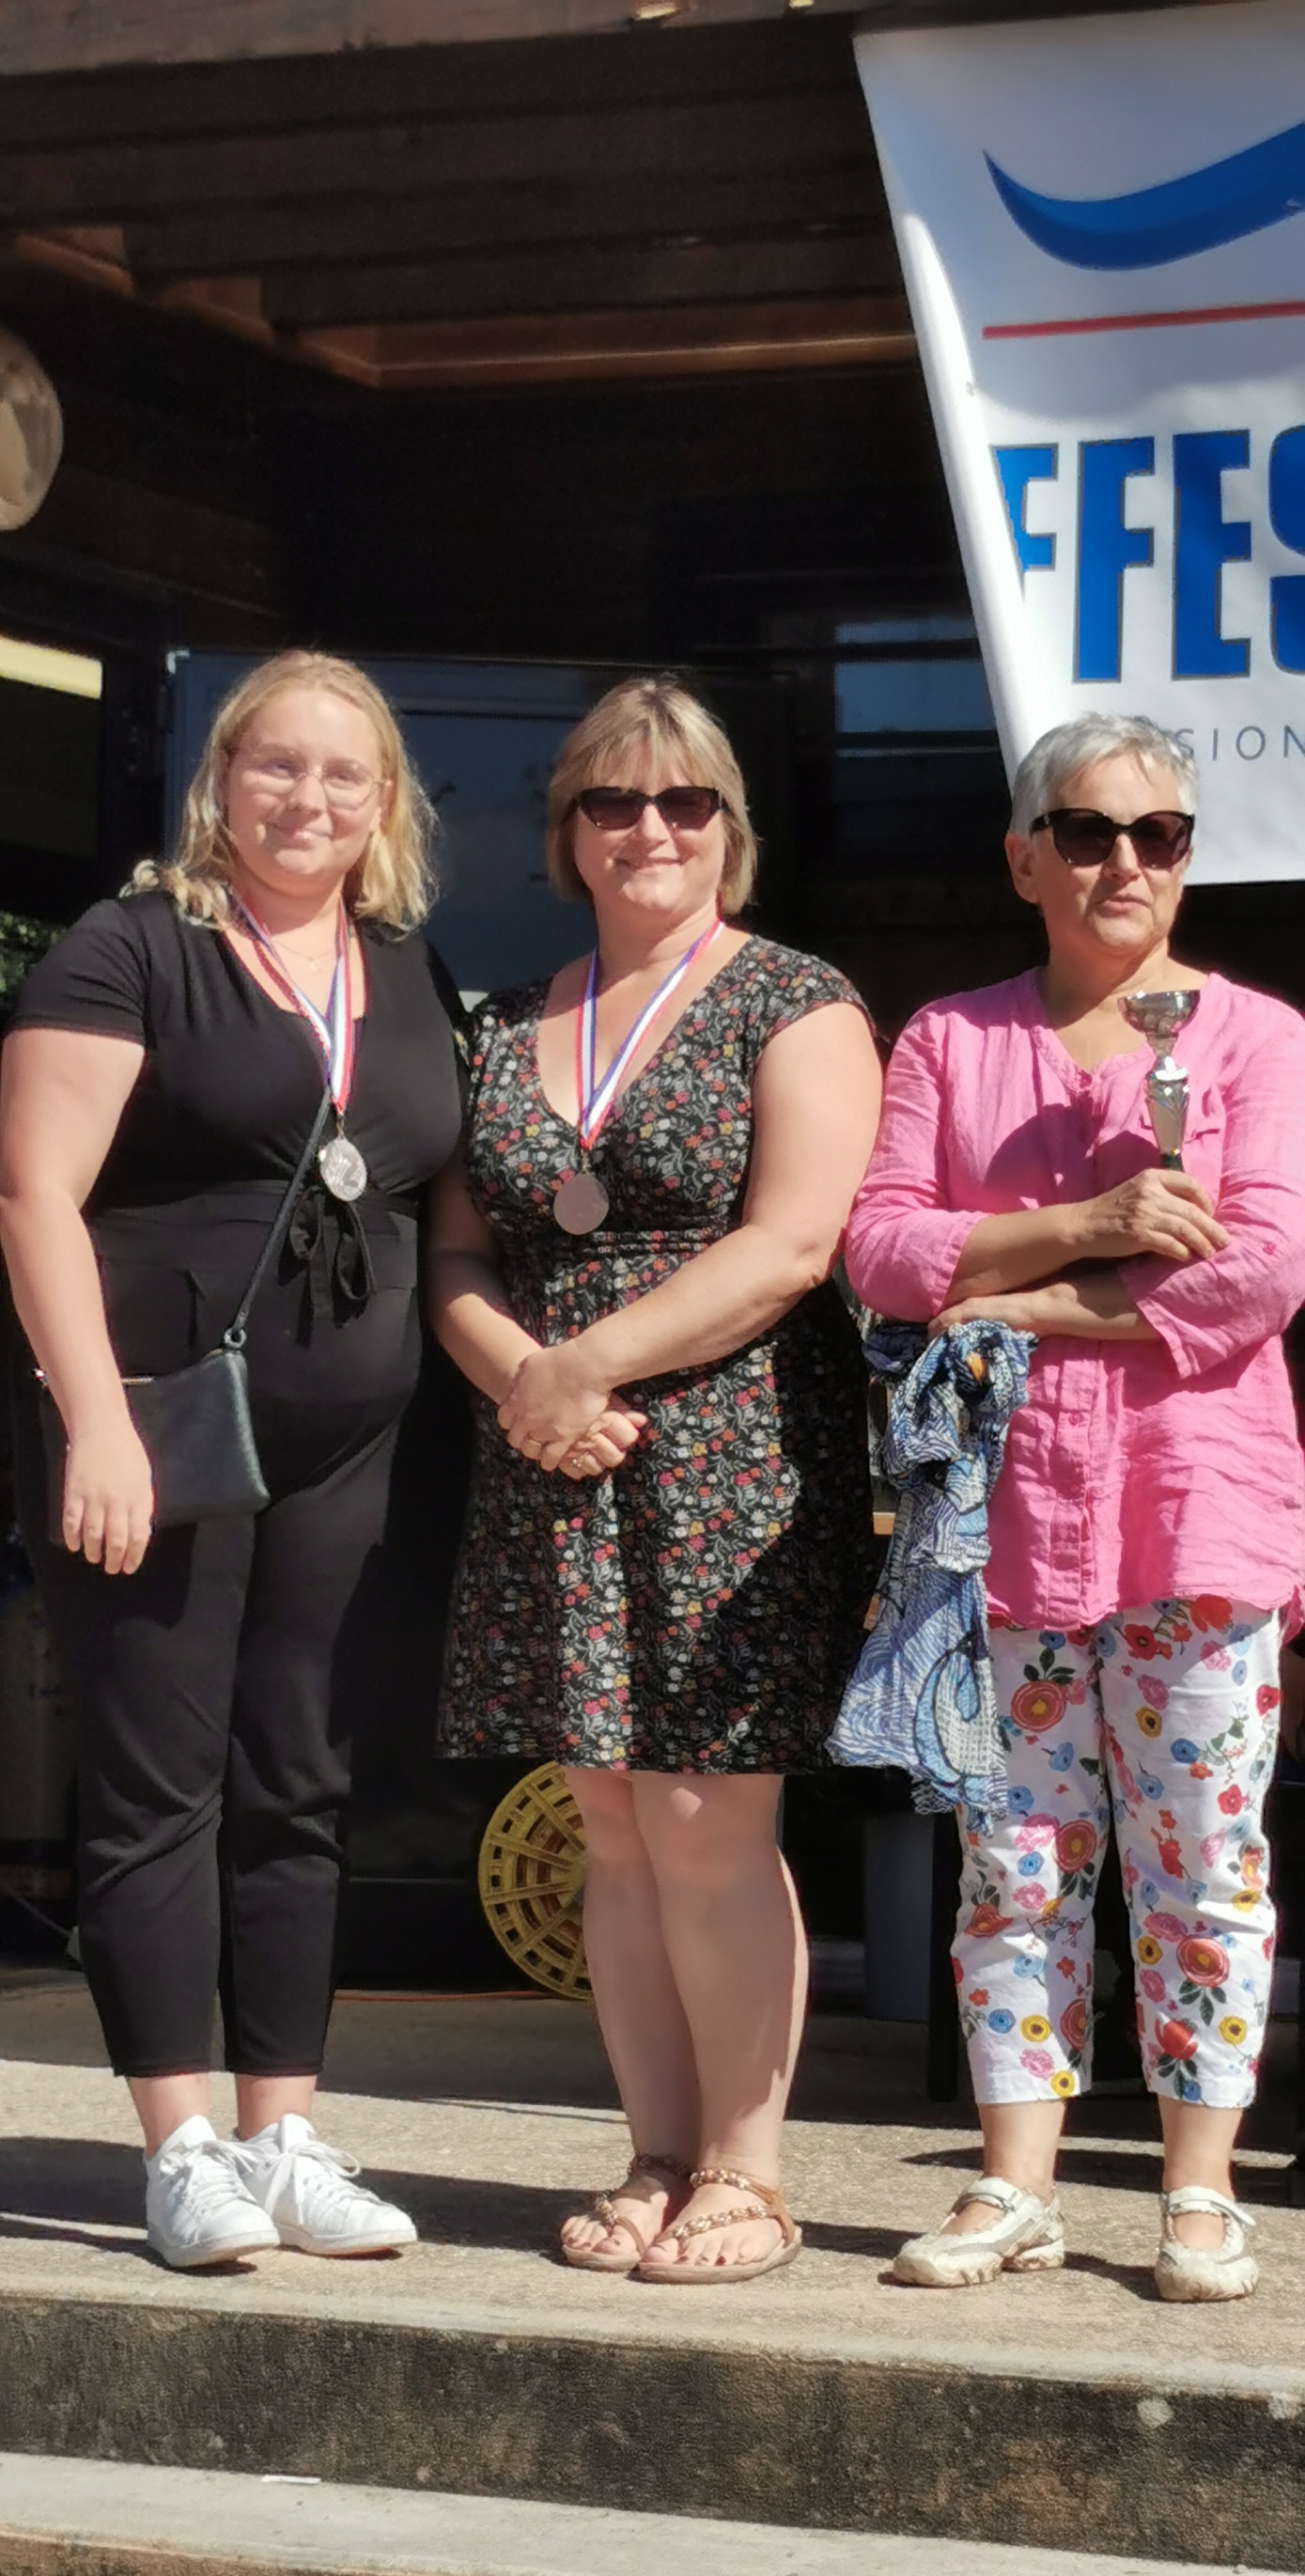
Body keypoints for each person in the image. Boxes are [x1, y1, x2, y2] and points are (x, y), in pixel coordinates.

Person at [0, 650, 463, 2269]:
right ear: (220, 781)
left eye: (343, 774)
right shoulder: (131, 948)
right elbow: (33, 1198)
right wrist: (96, 1423)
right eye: (276, 765)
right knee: (158, 1790)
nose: (307, 799)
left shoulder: (400, 966)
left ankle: (283, 2137)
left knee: (298, 1783)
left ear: (384, 804)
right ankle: (179, 2148)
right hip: (163, 1425)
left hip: (349, 1444)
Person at [846, 711, 1305, 2302]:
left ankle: (1198, 2188)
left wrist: (1013, 1299)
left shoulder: (1255, 1039)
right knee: (1013, 1861)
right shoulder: (948, 1041)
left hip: (1195, 1504)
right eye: (1088, 831)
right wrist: (1090, 1221)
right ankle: (1013, 2183)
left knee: (1203, 1858)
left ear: (1185, 859)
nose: (1124, 862)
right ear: (1023, 856)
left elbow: (1258, 1277)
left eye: (1157, 835)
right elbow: (881, 1250)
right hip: (1003, 1517)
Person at [432, 676, 881, 2281]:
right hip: (548, 1448)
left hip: (725, 1447)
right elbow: (458, 1252)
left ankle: (747, 2176)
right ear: (568, 832)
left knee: (704, 1816)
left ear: (727, 831)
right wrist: (526, 1381)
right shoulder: (504, 1018)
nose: (649, 828)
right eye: (614, 801)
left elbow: (793, 1243)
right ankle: (654, 2152)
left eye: (684, 801)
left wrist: (584, 1366)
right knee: (608, 1822)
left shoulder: (794, 1000)